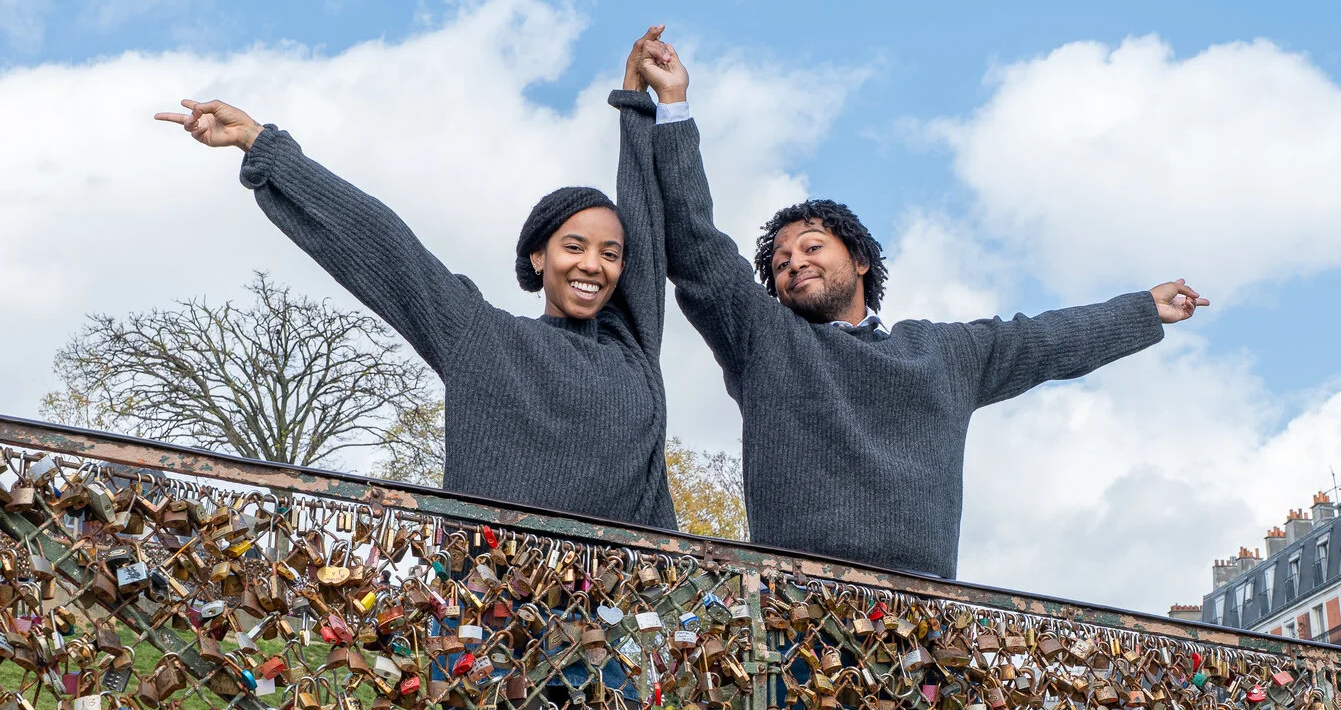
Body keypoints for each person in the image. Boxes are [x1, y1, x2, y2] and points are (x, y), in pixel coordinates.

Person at [634, 39, 1207, 579]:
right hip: (797, 613)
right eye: (780, 262)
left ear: (859, 260)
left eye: (811, 247)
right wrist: (675, 105)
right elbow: (696, 244)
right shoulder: (766, 340)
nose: (793, 264)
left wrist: (1141, 311)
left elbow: (1041, 341)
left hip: (924, 622)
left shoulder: (943, 353)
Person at [154, 30, 680, 530]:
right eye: (574, 246)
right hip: (499, 608)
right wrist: (262, 145)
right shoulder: (483, 338)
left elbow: (647, 224)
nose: (594, 264)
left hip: (624, 615)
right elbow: (386, 248)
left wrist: (636, 99)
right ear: (538, 258)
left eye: (610, 254)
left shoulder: (630, 347)